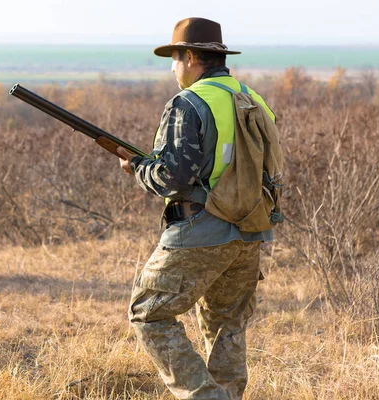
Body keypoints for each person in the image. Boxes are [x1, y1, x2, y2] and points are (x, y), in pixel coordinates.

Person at [117, 17, 277, 400]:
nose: (173, 68)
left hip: (200, 230)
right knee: (227, 327)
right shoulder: (252, 99)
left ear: (190, 57)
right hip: (250, 232)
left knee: (148, 313)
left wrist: (138, 168)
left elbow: (172, 177)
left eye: (174, 58)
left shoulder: (189, 103)